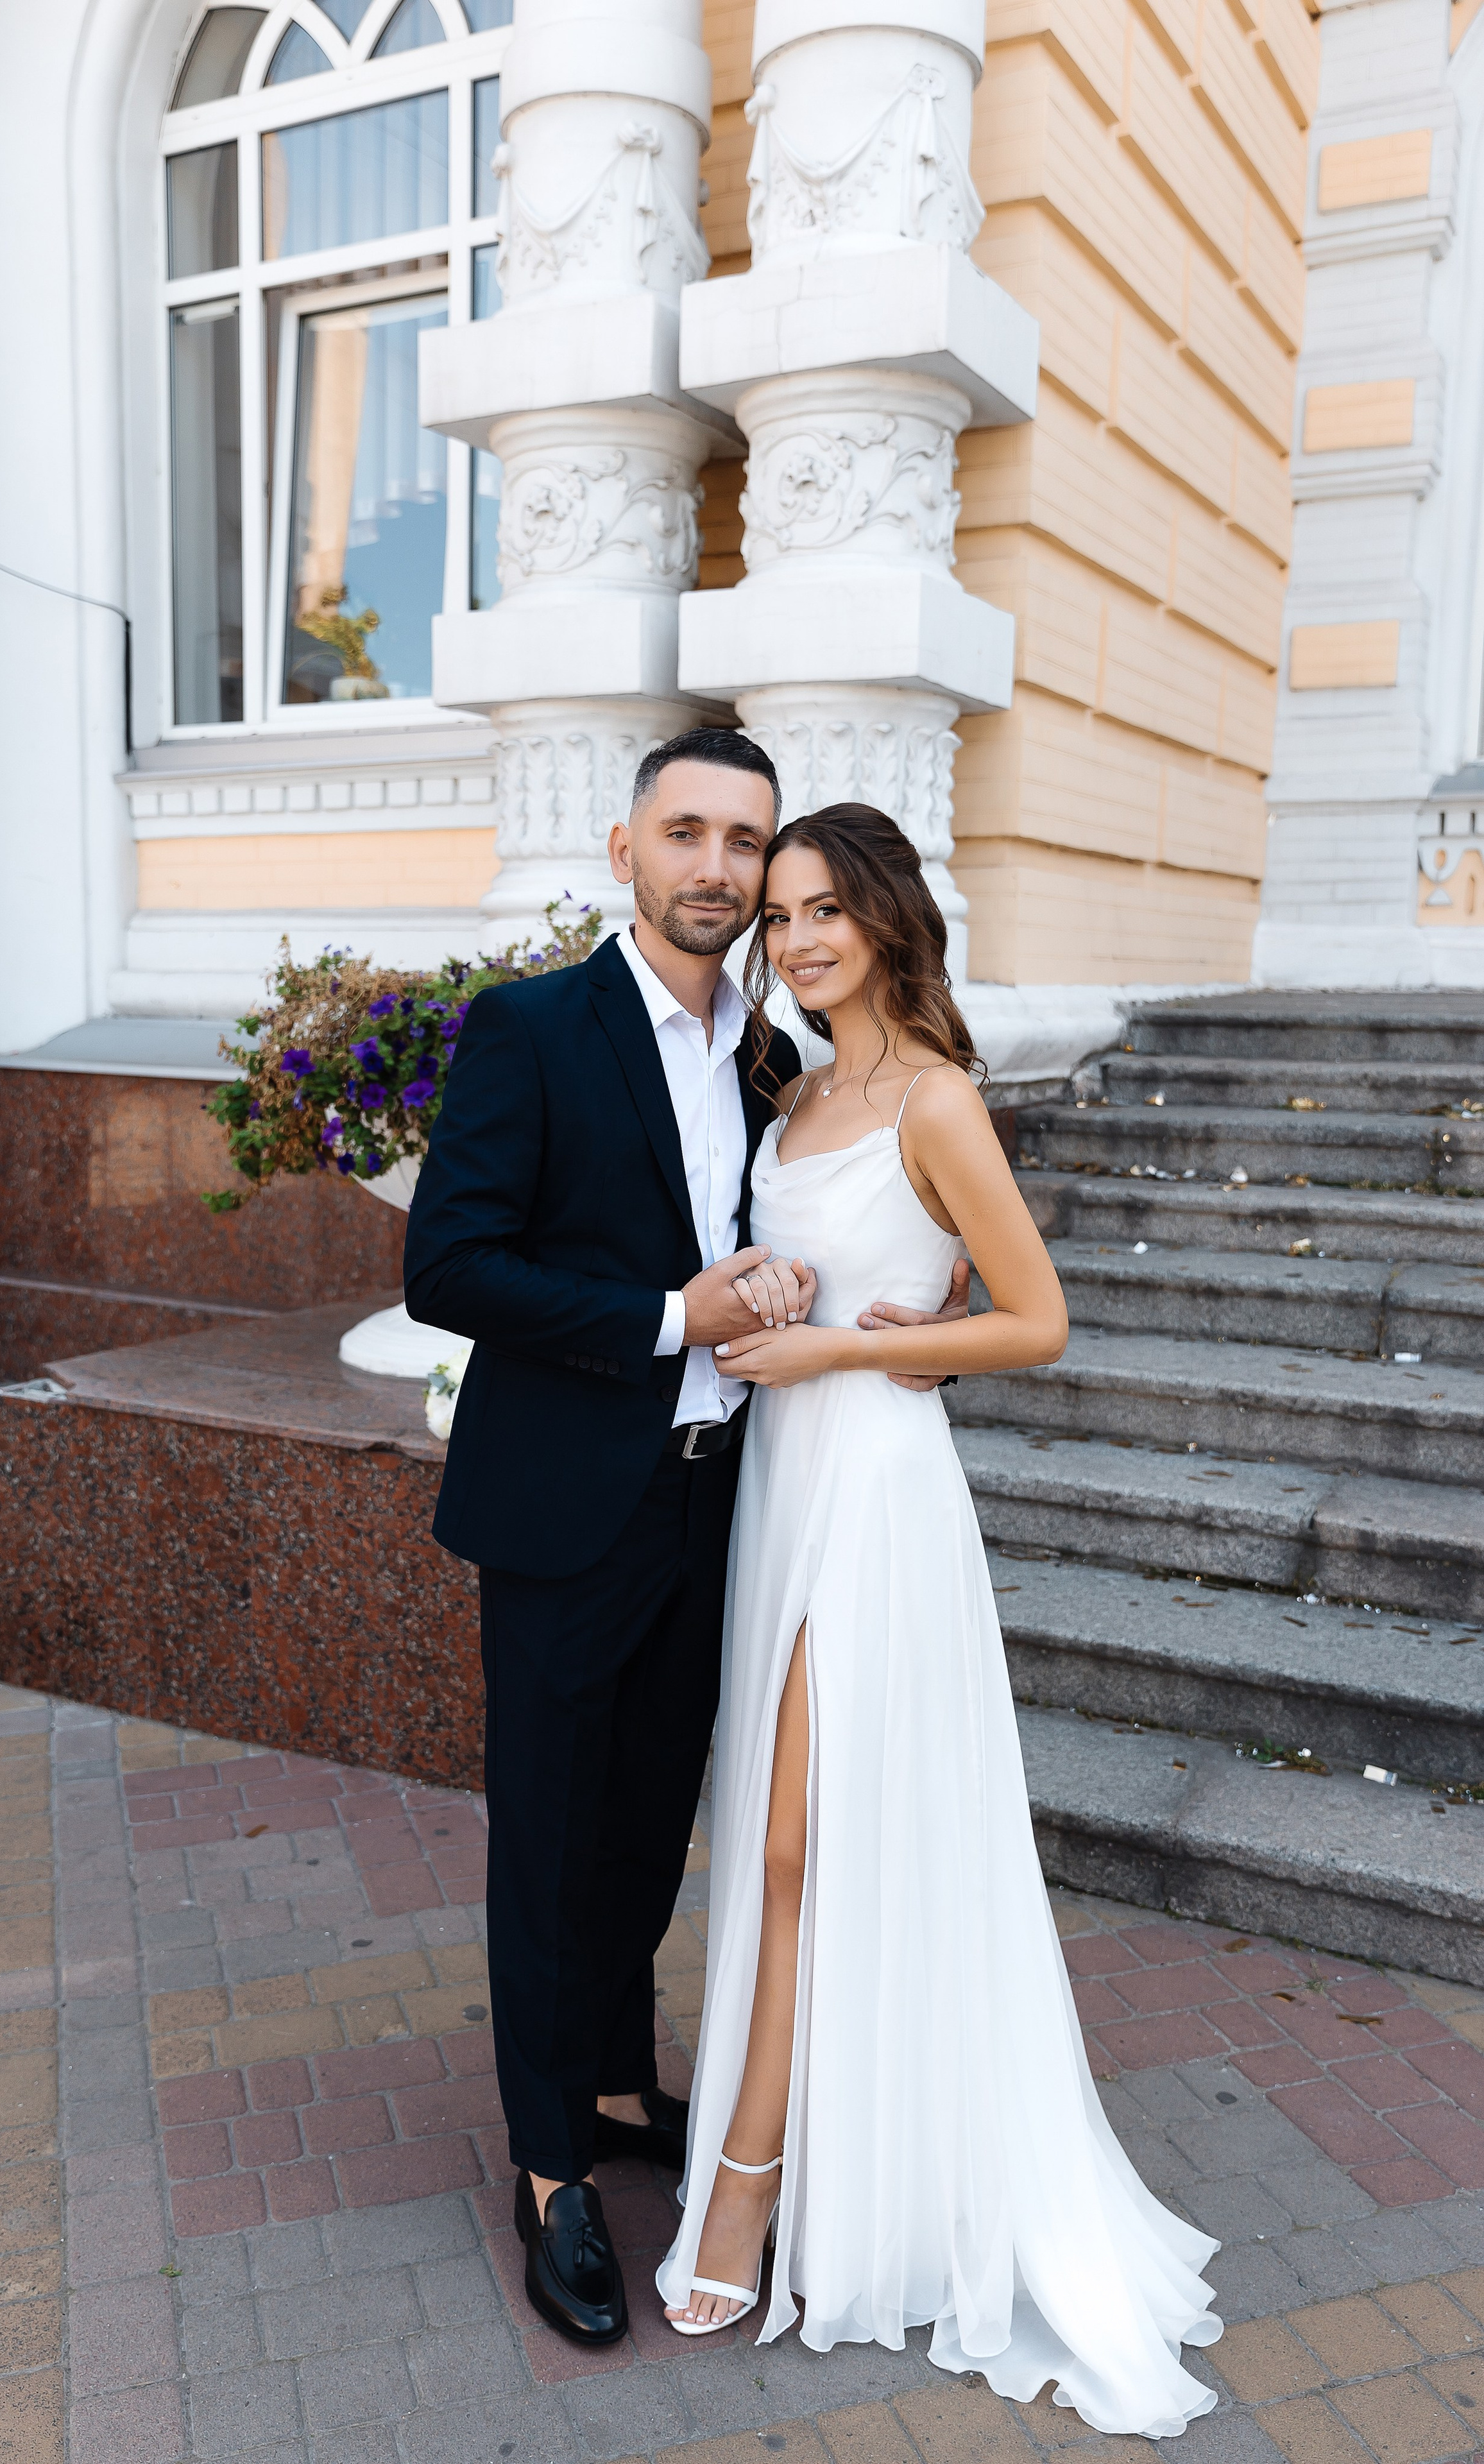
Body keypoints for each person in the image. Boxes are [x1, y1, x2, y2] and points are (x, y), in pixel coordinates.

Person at [655, 803, 1224, 2440]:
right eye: (778, 918)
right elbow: (837, 1268)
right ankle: (823, 2151)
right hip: (780, 1490)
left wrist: (850, 1347)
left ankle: (748, 2185)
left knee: (795, 1846)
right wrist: (777, 1291)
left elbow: (1036, 1320)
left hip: (875, 1497)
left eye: (824, 910)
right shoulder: (795, 1092)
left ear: (889, 917)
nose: (796, 941)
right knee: (781, 1841)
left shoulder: (936, 1097)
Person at [403, 732, 965, 2348]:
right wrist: (668, 1315)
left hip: (731, 1498)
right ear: (625, 849)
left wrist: (912, 1324)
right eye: (687, 833)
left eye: (744, 843)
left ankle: (603, 2076)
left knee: (651, 1819)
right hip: (566, 1506)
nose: (717, 867)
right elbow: (450, 1267)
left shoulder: (776, 1056)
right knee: (548, 1837)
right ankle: (547, 2169)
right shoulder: (530, 1028)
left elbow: (857, 1216)